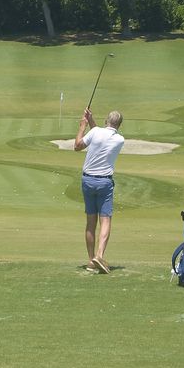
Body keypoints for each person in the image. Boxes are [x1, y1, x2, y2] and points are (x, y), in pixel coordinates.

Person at [74, 107, 125, 274]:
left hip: (87, 180)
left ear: (106, 121)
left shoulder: (95, 132)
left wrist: (83, 125)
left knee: (90, 222)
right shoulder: (119, 139)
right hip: (104, 183)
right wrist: (91, 122)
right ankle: (99, 255)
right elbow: (102, 135)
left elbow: (77, 146)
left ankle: (91, 261)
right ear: (119, 125)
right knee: (105, 220)